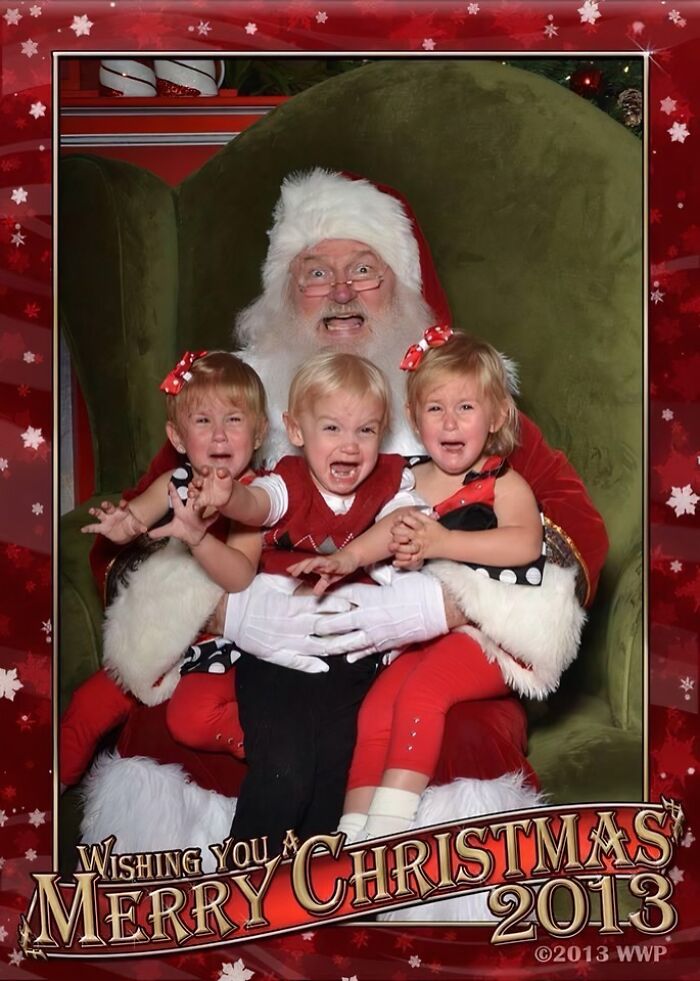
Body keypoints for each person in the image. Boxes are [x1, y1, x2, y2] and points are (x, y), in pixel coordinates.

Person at [79, 170, 607, 913]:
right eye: (315, 272)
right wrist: (227, 613)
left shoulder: (452, 401)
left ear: (404, 286)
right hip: (260, 647)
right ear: (282, 294)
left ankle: (380, 917)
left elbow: (572, 524)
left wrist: (445, 605)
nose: (342, 291)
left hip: (412, 653)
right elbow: (140, 537)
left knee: (433, 731)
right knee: (189, 725)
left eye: (364, 269)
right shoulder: (230, 401)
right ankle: (208, 918)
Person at [288, 329, 582, 842]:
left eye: (465, 408)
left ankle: (386, 833)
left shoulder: (503, 483)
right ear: (413, 417)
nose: (450, 423)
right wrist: (349, 557)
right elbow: (389, 530)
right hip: (422, 631)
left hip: (490, 633)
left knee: (424, 694)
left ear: (494, 418)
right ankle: (350, 834)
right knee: (377, 708)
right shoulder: (410, 478)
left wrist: (443, 542)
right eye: (435, 409)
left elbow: (524, 545)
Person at [189, 350, 434, 847]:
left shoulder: (391, 479)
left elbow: (402, 523)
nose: (350, 445)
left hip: (351, 657)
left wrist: (349, 560)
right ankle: (240, 892)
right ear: (295, 430)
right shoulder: (290, 479)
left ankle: (311, 899)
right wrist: (226, 496)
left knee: (332, 783)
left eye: (365, 430)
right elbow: (258, 505)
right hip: (278, 649)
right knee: (285, 774)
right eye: (332, 429)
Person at [61, 351, 268, 788]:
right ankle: (40, 809)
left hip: (220, 640)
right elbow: (135, 520)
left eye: (234, 420)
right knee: (85, 704)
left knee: (190, 717)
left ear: (259, 432)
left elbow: (240, 576)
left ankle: (260, 745)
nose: (219, 435)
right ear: (176, 436)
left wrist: (198, 535)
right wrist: (121, 528)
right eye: (202, 422)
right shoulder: (172, 482)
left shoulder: (256, 496)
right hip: (160, 631)